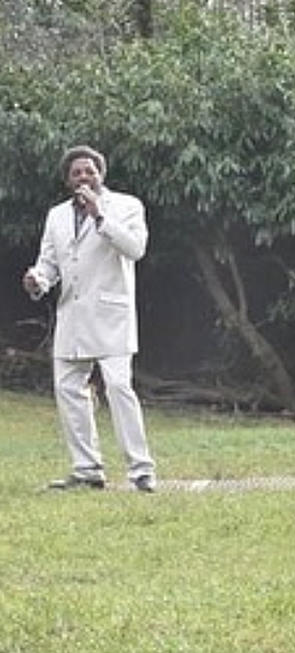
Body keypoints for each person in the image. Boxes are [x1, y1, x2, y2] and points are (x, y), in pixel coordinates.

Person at [22, 145, 157, 492]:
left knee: (118, 387)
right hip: (72, 315)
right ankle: (87, 469)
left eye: (89, 171)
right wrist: (38, 279)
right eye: (76, 173)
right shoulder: (57, 216)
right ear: (68, 180)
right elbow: (49, 262)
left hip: (112, 314)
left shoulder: (126, 206)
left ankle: (141, 470)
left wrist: (100, 216)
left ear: (101, 174)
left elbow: (135, 249)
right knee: (68, 389)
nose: (83, 177)